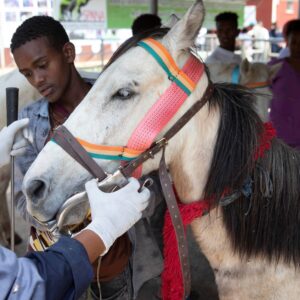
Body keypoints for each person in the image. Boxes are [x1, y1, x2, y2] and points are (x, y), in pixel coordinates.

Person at [11, 15, 164, 299]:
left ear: (68, 53)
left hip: (117, 265)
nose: (37, 79)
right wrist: (70, 216)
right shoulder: (29, 123)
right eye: (27, 74)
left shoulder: (122, 101)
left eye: (42, 65)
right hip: (59, 270)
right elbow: (23, 200)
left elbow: (154, 184)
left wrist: (129, 200)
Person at [0, 119, 150, 299]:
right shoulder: (32, 117)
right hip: (69, 262)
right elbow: (25, 288)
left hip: (111, 266)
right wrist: (103, 230)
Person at [268, 19, 300, 149]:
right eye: (294, 42)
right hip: (279, 137)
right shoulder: (274, 67)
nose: (298, 47)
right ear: (287, 41)